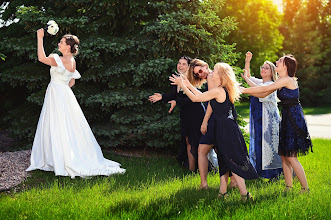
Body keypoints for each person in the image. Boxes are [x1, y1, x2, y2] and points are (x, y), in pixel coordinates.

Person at [26, 29, 126, 178]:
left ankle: (59, 158)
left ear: (67, 46)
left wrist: (39, 37)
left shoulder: (58, 59)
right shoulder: (72, 61)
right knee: (68, 125)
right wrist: (59, 86)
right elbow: (71, 81)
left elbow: (41, 58)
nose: (59, 44)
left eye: (61, 42)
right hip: (64, 94)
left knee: (57, 124)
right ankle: (62, 156)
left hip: (58, 95)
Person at [170, 63, 258, 200]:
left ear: (220, 75)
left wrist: (183, 85)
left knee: (233, 162)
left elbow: (195, 98)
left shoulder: (219, 90)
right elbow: (203, 95)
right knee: (223, 160)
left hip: (226, 130)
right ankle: (222, 193)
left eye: (214, 70)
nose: (211, 72)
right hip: (226, 128)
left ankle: (245, 194)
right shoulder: (223, 89)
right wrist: (187, 84)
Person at [241, 55, 313, 193]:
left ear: (285, 66)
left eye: (279, 61)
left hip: (293, 118)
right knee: (284, 155)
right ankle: (288, 186)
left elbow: (262, 90)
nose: (276, 62)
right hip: (286, 117)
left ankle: (305, 188)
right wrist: (244, 88)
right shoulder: (280, 80)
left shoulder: (286, 80)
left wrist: (242, 90)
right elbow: (263, 94)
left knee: (291, 156)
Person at [149, 56, 206, 171]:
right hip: (185, 114)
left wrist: (176, 102)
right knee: (187, 141)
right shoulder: (176, 79)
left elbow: (192, 98)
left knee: (193, 142)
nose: (180, 66)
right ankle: (191, 170)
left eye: (184, 64)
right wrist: (162, 97)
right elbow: (173, 96)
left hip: (196, 113)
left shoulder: (192, 80)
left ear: (189, 66)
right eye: (179, 63)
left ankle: (196, 170)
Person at [188, 59, 237, 190]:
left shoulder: (211, 76)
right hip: (218, 117)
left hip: (217, 118)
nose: (200, 74)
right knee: (208, 149)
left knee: (207, 150)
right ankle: (212, 183)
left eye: (199, 71)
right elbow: (206, 97)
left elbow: (209, 101)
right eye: (197, 74)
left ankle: (208, 184)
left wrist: (205, 121)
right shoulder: (213, 76)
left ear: (205, 65)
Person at [242, 52, 283, 179]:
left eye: (266, 68)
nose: (263, 69)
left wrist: (246, 80)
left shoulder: (270, 84)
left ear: (271, 72)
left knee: (269, 144)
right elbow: (249, 77)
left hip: (268, 119)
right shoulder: (260, 82)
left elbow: (259, 90)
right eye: (262, 67)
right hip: (258, 117)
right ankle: (260, 171)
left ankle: (274, 173)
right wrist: (248, 61)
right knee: (259, 142)